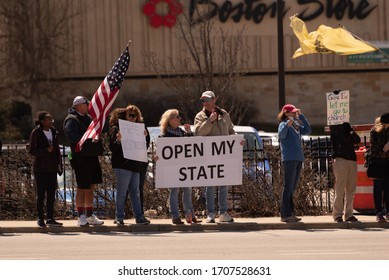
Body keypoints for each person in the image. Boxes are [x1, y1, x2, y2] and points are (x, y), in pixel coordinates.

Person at [194, 90, 239, 223]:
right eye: (203, 100)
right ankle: (211, 213)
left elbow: (231, 130)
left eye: (207, 100)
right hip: (209, 156)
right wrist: (210, 121)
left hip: (224, 155)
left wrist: (237, 139)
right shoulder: (200, 116)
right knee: (210, 185)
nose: (205, 103)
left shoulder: (224, 114)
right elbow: (199, 133)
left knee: (224, 184)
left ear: (214, 100)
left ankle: (223, 212)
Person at [63, 96, 104, 226]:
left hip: (92, 156)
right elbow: (73, 137)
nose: (88, 106)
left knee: (91, 186)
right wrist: (89, 138)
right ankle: (80, 215)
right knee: (82, 187)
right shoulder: (71, 120)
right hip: (81, 158)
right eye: (86, 104)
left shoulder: (88, 118)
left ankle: (89, 214)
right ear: (79, 105)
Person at [158, 109, 202, 224]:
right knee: (174, 190)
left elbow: (193, 146)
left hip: (184, 167)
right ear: (170, 119)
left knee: (188, 190)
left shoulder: (182, 132)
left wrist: (189, 132)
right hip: (172, 169)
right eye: (177, 117)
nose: (179, 119)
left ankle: (190, 215)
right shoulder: (164, 136)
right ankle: (175, 216)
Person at [109, 106, 150, 225]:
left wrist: (146, 136)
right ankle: (119, 217)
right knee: (122, 192)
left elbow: (144, 147)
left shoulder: (140, 128)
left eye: (134, 115)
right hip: (122, 165)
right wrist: (118, 140)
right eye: (130, 115)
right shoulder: (117, 128)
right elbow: (112, 148)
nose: (132, 118)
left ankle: (139, 217)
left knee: (135, 192)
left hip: (135, 164)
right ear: (125, 116)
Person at [277, 104, 311, 222]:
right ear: (286, 113)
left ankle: (290, 213)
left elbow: (307, 130)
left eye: (296, 112)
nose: (295, 114)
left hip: (298, 158)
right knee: (288, 186)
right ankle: (285, 214)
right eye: (293, 112)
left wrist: (302, 116)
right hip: (289, 158)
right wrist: (287, 125)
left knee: (292, 187)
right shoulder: (283, 124)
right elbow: (281, 135)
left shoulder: (296, 125)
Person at [29, 111, 63, 227]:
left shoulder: (53, 132)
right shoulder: (36, 133)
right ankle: (40, 218)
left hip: (52, 167)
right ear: (42, 121)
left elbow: (57, 150)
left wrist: (59, 164)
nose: (50, 121)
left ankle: (50, 217)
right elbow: (32, 150)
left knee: (51, 194)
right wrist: (44, 151)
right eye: (48, 119)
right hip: (41, 168)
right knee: (41, 194)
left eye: (51, 119)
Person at [330, 122, 361, 222]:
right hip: (341, 160)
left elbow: (358, 140)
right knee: (340, 189)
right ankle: (337, 214)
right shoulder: (335, 129)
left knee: (351, 190)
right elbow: (334, 140)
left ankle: (349, 214)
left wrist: (351, 131)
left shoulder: (349, 130)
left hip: (352, 160)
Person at [369, 113, 389, 222]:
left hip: (387, 163)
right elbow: (376, 149)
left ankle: (388, 211)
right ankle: (379, 212)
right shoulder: (375, 132)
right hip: (378, 163)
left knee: (387, 188)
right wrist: (385, 148)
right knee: (378, 188)